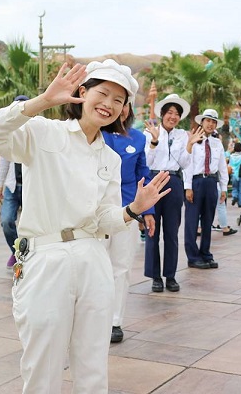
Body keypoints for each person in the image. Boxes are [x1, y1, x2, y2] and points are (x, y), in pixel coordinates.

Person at [0, 60, 170, 393]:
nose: (108, 104)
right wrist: (41, 101)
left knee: (93, 360)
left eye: (118, 100)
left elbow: (102, 220)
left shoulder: (109, 157)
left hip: (94, 257)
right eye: (103, 94)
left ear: (124, 110)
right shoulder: (43, 131)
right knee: (42, 361)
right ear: (82, 93)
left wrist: (133, 209)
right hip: (45, 256)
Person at [102, 101, 156, 343]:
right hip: (96, 209)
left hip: (128, 209)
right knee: (92, 265)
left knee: (121, 267)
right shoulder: (94, 133)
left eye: (124, 103)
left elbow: (142, 175)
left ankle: (115, 321)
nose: (119, 108)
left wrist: (148, 211)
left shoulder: (138, 138)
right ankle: (89, 317)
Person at [144, 93, 194, 292]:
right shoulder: (150, 133)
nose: (173, 117)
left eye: (176, 114)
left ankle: (170, 276)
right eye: (170, 112)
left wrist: (189, 146)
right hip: (154, 181)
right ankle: (155, 276)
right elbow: (146, 162)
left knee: (172, 232)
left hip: (173, 181)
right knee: (152, 231)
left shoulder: (182, 135)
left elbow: (184, 163)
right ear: (163, 114)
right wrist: (154, 142)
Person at [184, 109, 229, 269]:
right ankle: (193, 256)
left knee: (208, 221)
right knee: (191, 221)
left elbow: (222, 166)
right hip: (196, 182)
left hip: (211, 183)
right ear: (201, 122)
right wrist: (188, 187)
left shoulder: (217, 143)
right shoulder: (193, 141)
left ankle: (206, 253)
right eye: (207, 120)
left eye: (213, 121)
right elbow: (187, 165)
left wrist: (224, 188)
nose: (210, 124)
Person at [0, 96, 29, 268]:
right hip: (12, 186)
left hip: (30, 187)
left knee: (29, 226)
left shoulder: (34, 132)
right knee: (7, 221)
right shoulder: (9, 133)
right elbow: (3, 159)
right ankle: (16, 251)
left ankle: (24, 254)